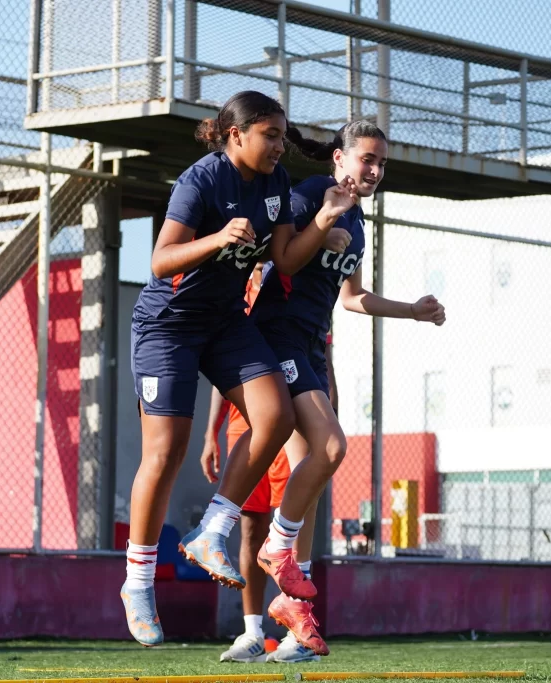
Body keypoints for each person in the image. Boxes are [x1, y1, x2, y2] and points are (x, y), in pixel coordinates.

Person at [122, 91, 358, 647]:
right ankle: (136, 584)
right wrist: (216, 239)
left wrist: (322, 222)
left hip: (226, 323)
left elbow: (285, 260)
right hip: (170, 324)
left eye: (281, 136)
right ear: (235, 136)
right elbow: (159, 260)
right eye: (269, 136)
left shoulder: (276, 186)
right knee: (166, 452)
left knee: (275, 417)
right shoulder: (199, 182)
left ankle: (213, 529)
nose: (279, 146)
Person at [232, 120, 447, 655]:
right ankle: (272, 561)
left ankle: (295, 620)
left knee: (312, 474)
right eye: (365, 159)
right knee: (330, 447)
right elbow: (276, 257)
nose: (373, 170)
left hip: (311, 348)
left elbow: (351, 297)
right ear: (339, 158)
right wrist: (320, 225)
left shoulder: (360, 220)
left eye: (381, 163)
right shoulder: (307, 196)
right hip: (277, 338)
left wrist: (412, 312)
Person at [200, 265, 339, 664]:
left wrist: (328, 402)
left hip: (293, 403)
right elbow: (223, 363)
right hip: (246, 416)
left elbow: (321, 348)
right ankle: (252, 633)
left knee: (291, 518)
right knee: (250, 526)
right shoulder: (239, 282)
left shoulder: (301, 272)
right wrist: (211, 430)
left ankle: (297, 632)